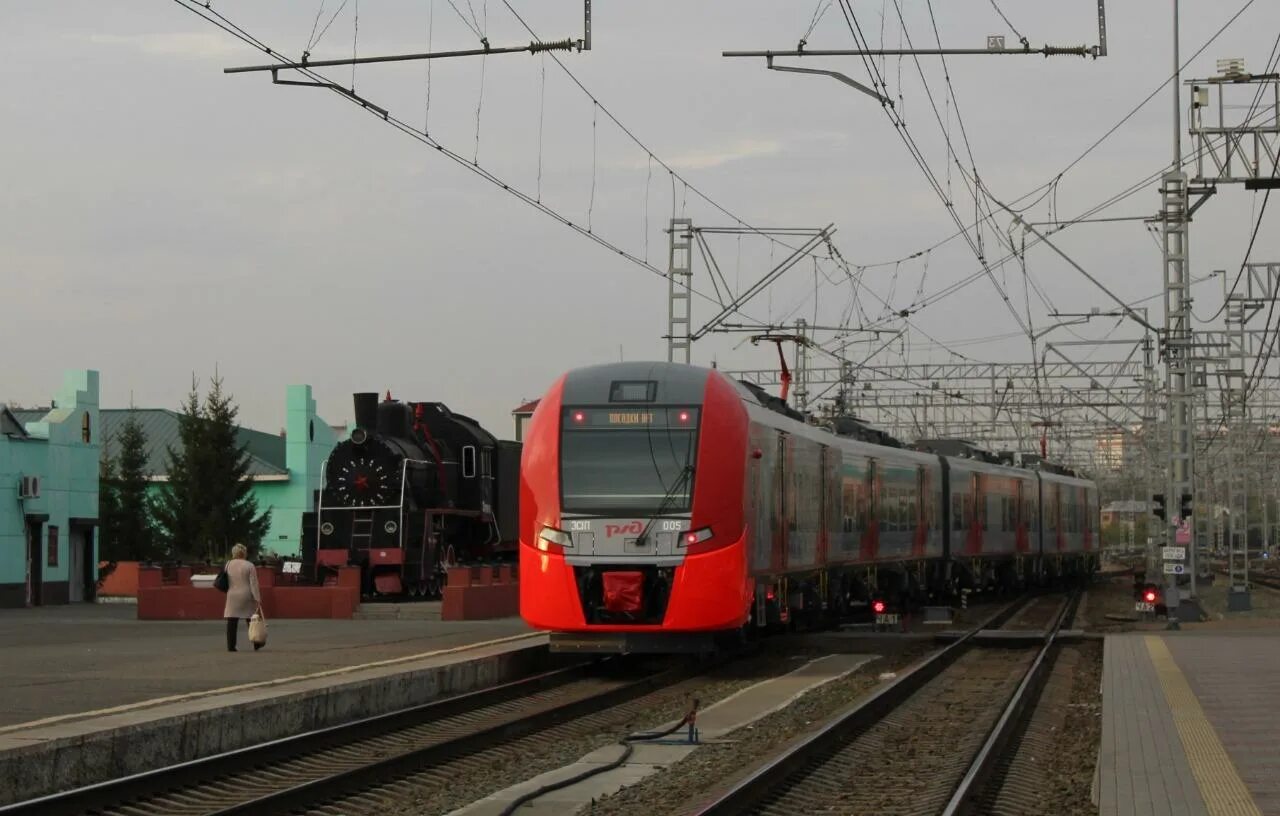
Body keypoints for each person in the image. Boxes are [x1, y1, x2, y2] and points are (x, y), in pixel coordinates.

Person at [222, 543, 262, 652]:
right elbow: (254, 583)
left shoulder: (228, 564)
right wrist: (257, 598)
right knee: (251, 619)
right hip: (246, 594)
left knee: (232, 621)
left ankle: (231, 646)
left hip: (232, 594)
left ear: (233, 553)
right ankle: (256, 642)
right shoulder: (249, 565)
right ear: (244, 553)